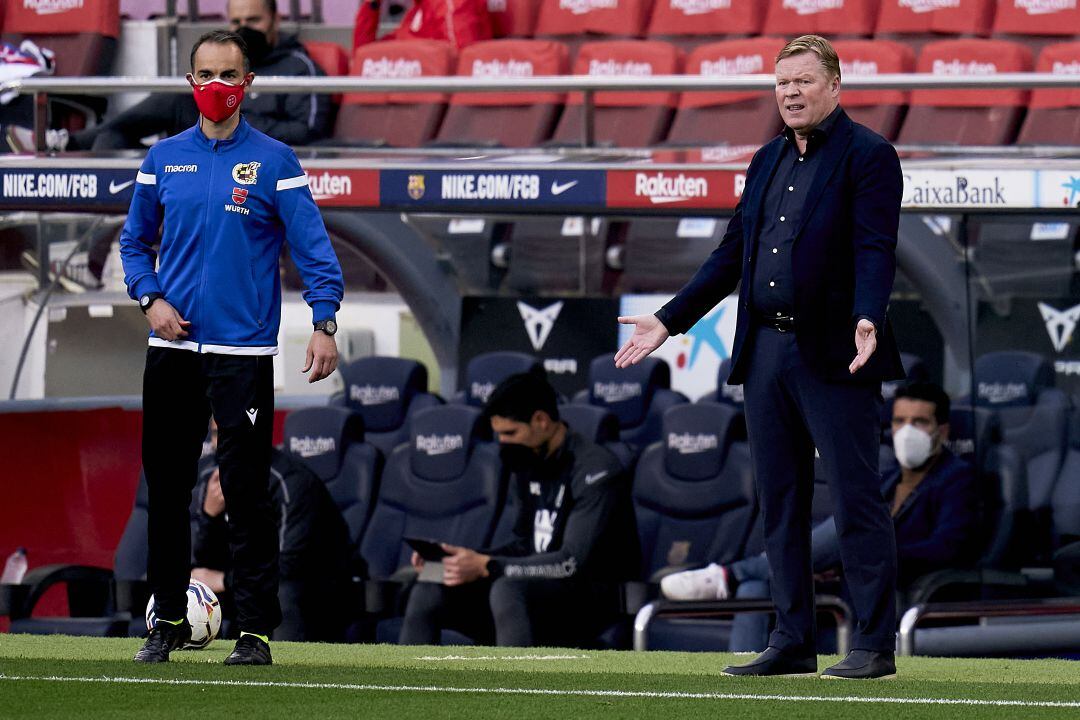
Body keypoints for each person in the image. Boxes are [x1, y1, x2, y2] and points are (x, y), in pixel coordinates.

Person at [615, 34, 905, 679]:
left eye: (804, 81)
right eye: (782, 83)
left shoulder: (870, 155)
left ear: (835, 85)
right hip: (766, 350)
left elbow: (874, 247)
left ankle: (873, 646)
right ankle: (793, 638)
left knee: (856, 499)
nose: (792, 93)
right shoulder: (766, 159)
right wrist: (669, 320)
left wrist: (867, 315)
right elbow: (730, 255)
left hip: (836, 352)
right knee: (779, 500)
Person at [122, 29, 344, 666]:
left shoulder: (277, 161)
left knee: (245, 494)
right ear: (190, 82)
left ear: (249, 83)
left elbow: (315, 252)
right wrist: (151, 300)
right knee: (167, 492)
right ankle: (164, 623)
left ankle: (254, 632)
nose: (216, 86)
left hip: (242, 356)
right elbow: (134, 245)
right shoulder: (161, 159)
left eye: (229, 74)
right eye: (205, 74)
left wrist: (324, 324)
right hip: (171, 352)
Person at [662, 382, 981, 651]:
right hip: (851, 581)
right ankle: (747, 685)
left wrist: (871, 554)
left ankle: (728, 575)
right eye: (900, 421)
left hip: (901, 587)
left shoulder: (958, 478)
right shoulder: (885, 478)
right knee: (757, 586)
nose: (907, 431)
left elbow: (946, 548)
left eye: (920, 422)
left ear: (942, 429)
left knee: (850, 526)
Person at [399, 372, 640, 647]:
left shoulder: (596, 469)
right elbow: (525, 545)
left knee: (507, 587)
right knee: (431, 586)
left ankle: (515, 687)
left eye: (510, 433)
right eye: (498, 434)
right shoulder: (526, 461)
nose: (503, 442)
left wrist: (487, 565)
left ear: (541, 420)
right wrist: (459, 560)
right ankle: (411, 685)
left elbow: (571, 562)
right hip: (531, 592)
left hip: (589, 601)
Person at [65, 0, 331, 152]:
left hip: (248, 157)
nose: (244, 29)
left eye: (253, 21)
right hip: (198, 153)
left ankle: (73, 142)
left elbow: (307, 130)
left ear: (275, 20)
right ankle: (117, 241)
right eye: (237, 23)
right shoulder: (226, 60)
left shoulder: (299, 67)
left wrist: (237, 121)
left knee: (181, 100)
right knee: (111, 141)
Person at [192, 446, 352, 642]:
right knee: (189, 587)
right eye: (218, 433)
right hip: (249, 584)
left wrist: (226, 580)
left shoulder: (291, 480)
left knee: (283, 590)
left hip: (317, 587)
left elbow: (289, 565)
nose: (224, 440)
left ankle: (288, 664)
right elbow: (203, 560)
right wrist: (210, 515)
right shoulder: (212, 477)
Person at [353, 0, 492, 52]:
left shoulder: (453, 5)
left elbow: (460, 66)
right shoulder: (416, 13)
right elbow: (363, 56)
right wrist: (371, 4)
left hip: (426, 103)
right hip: (406, 103)